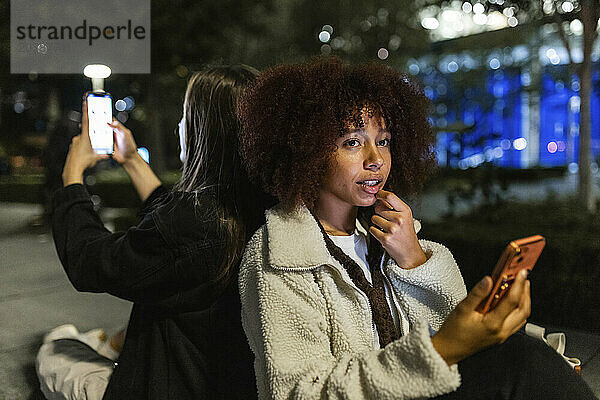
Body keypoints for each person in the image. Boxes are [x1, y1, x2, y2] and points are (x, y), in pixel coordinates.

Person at [236, 57, 598, 399]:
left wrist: (414, 258)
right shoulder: (279, 255)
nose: (376, 159)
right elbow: (299, 392)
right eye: (352, 142)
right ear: (307, 150)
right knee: (524, 361)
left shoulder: (386, 235)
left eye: (384, 141)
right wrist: (440, 350)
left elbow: (455, 335)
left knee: (524, 353)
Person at [36, 65, 273, 400]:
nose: (179, 125)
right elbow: (172, 227)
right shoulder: (259, 209)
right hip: (225, 381)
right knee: (104, 339)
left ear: (201, 130)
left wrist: (72, 173)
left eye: (185, 115)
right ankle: (101, 342)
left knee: (54, 348)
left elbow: (89, 261)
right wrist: (132, 161)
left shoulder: (194, 221)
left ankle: (87, 342)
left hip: (164, 387)